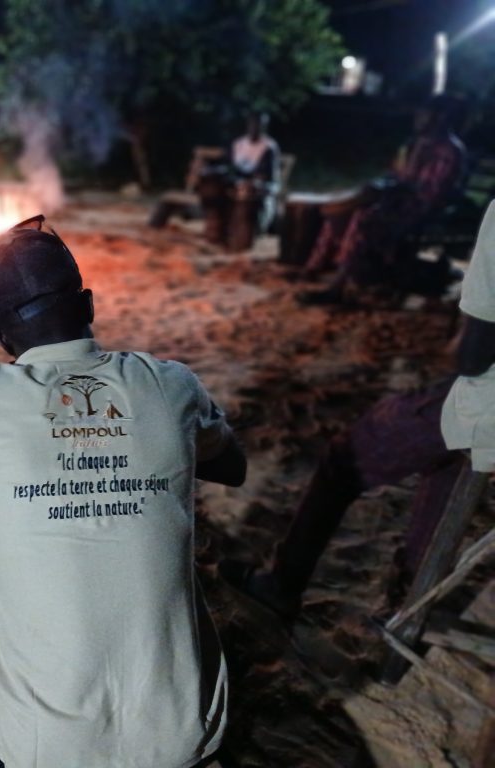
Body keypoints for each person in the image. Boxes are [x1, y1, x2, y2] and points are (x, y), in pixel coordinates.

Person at [0, 215, 247, 767]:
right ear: (87, 304)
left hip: (36, 748)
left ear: (2, 335)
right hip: (184, 738)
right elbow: (234, 469)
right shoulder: (171, 384)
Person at [222, 201, 495, 620]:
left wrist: (452, 347)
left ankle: (282, 585)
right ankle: (408, 610)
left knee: (344, 460)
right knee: (447, 468)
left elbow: (473, 357)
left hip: (484, 406)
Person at [299, 95, 467, 304]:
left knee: (364, 217)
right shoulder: (415, 144)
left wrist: (395, 190)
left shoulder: (449, 151)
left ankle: (338, 286)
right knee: (340, 211)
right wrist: (385, 185)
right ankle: (314, 268)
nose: (418, 119)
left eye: (424, 115)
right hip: (398, 201)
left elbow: (431, 194)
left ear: (440, 118)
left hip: (420, 210)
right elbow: (396, 175)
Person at [197, 112, 281, 250]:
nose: (255, 128)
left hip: (256, 188)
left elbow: (266, 175)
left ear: (264, 127)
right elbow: (228, 165)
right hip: (234, 184)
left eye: (259, 125)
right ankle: (215, 232)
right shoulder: (239, 144)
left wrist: (247, 180)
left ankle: (238, 239)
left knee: (245, 192)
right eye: (252, 124)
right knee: (211, 183)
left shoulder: (269, 147)